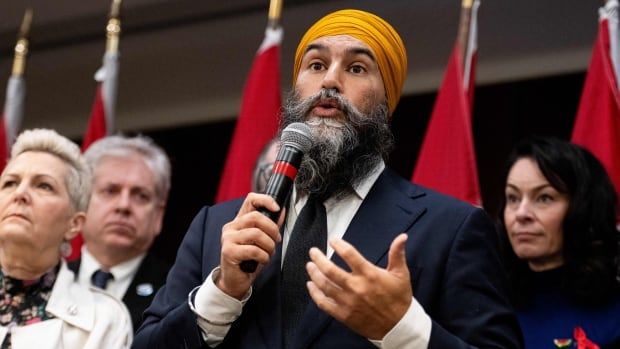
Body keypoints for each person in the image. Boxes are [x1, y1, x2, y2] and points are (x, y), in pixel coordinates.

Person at [134, 9, 522, 348]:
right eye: (316, 65)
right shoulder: (217, 227)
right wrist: (222, 294)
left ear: (387, 103)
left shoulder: (450, 228)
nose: (330, 82)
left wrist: (402, 328)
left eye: (356, 68)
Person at [0, 129, 131, 348]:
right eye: (10, 183)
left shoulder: (104, 318)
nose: (20, 193)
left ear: (74, 224)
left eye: (44, 185)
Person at [498, 137, 620, 348]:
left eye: (544, 198)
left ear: (583, 208)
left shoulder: (615, 313)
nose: (521, 213)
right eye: (513, 198)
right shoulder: (488, 302)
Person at [68, 135, 171, 331]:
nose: (123, 206)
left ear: (158, 215)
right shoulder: (47, 280)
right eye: (110, 191)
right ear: (83, 202)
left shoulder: (176, 292)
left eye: (141, 196)